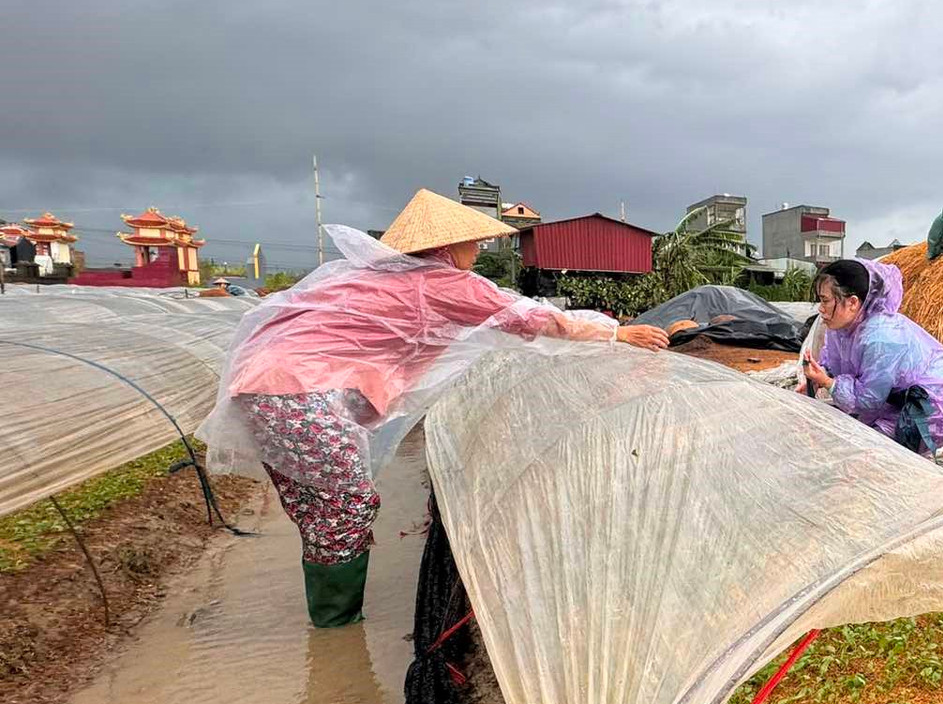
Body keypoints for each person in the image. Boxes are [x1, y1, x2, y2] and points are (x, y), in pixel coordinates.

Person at [201, 189, 669, 628]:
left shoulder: (380, 276)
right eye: (472, 243)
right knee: (347, 503)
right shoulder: (442, 281)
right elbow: (529, 318)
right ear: (448, 246)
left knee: (318, 502)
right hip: (298, 391)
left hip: (266, 386)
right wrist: (616, 333)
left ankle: (331, 616)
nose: (478, 251)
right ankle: (336, 628)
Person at [798, 258, 943, 453]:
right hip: (891, 399)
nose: (821, 308)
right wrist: (819, 375)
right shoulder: (842, 328)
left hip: (930, 409)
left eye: (825, 300)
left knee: (863, 451)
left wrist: (828, 383)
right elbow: (834, 361)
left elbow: (868, 401)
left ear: (852, 302)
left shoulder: (881, 337)